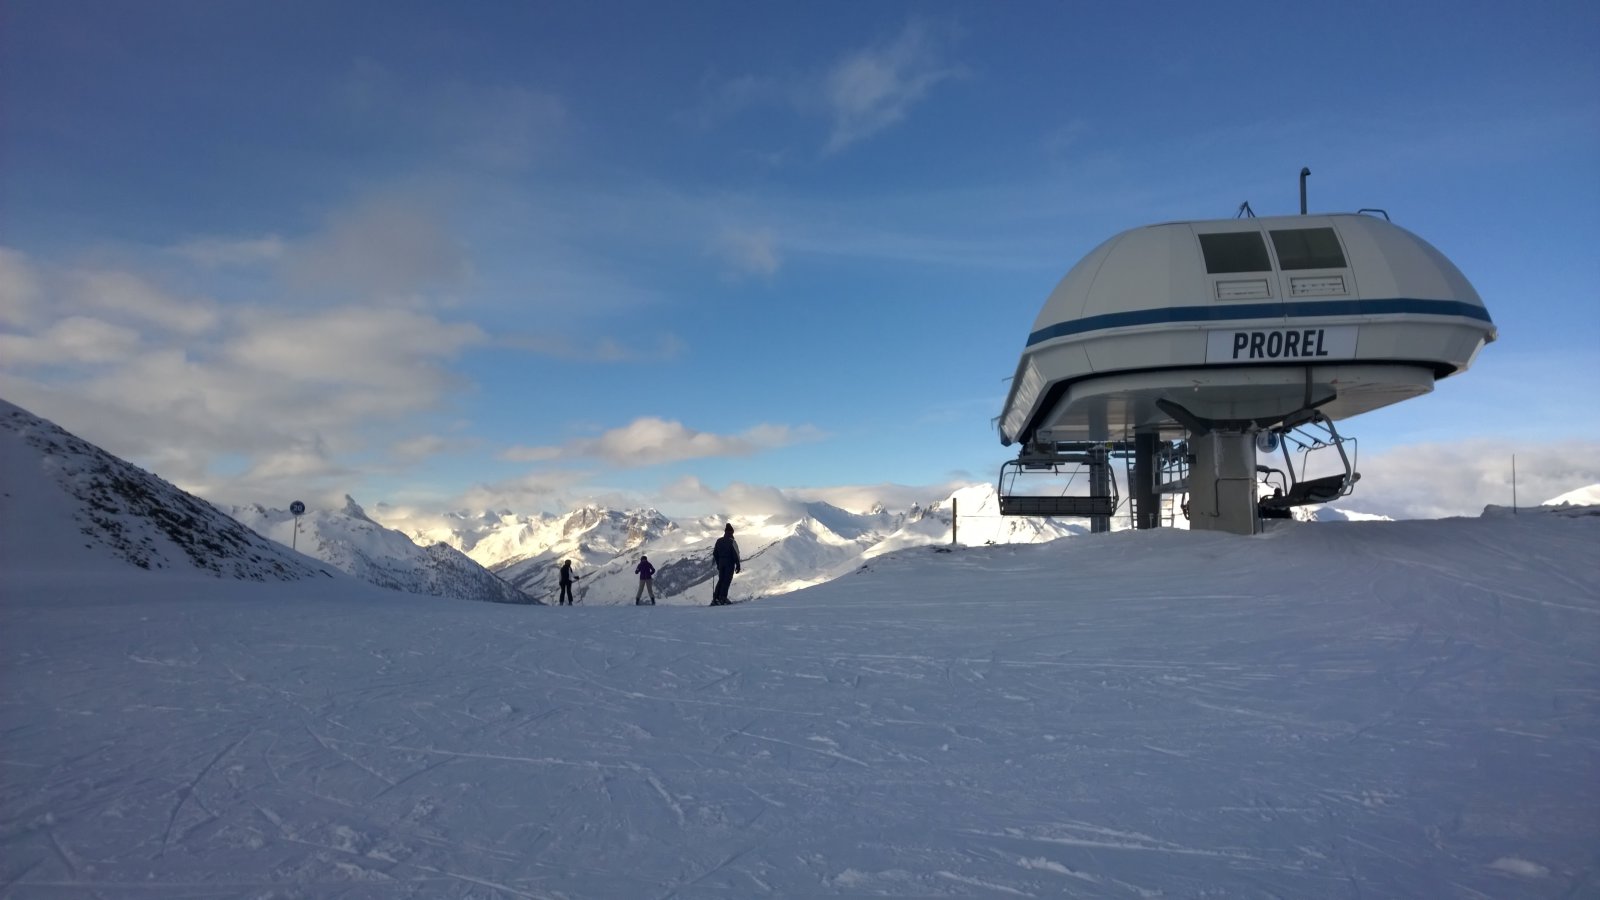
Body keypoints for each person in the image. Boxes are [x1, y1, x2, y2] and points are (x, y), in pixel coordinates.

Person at [711, 523, 741, 605]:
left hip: (721, 563)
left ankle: (715, 598)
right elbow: (736, 554)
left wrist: (718, 563)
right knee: (726, 580)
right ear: (731, 532)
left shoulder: (719, 541)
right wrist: (738, 565)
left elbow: (715, 553)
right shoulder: (732, 542)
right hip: (729, 563)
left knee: (721, 580)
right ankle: (722, 598)